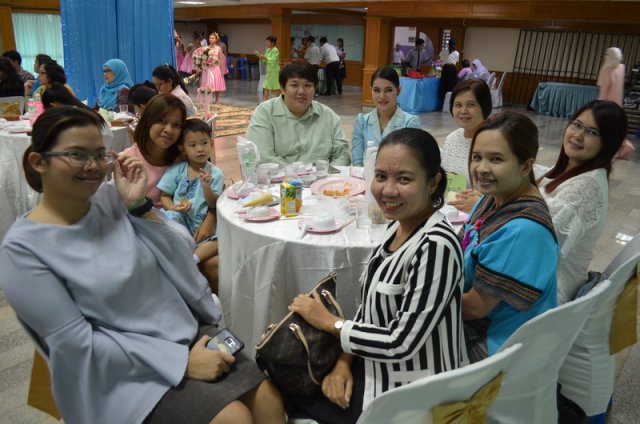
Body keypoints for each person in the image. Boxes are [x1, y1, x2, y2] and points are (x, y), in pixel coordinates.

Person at [0, 106, 285, 424]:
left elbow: (183, 256)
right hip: (123, 370)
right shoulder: (23, 251)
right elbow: (77, 345)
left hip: (182, 332)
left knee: (269, 402)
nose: (93, 167)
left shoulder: (112, 199)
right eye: (77, 155)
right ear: (39, 162)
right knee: (233, 418)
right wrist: (180, 363)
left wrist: (139, 206)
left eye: (99, 154)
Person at [287, 127, 465, 423]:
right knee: (285, 383)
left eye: (404, 179)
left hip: (411, 390)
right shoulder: (398, 227)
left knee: (286, 394)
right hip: (371, 365)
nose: (387, 189)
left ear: (433, 183)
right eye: (381, 176)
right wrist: (343, 362)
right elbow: (371, 310)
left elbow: (401, 343)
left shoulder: (436, 247)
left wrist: (330, 322)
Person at [461, 111, 558, 363]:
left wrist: (422, 294)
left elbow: (473, 308)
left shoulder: (523, 231)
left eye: (496, 159)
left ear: (525, 166)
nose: (481, 169)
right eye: (476, 157)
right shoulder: (492, 198)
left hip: (498, 347)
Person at [538, 100, 627, 303]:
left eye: (592, 132)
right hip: (536, 277)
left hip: (547, 292)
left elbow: (539, 241)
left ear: (608, 143)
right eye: (577, 124)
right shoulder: (572, 171)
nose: (578, 135)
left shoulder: (587, 186)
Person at [158, 118, 223, 292]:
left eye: (204, 143)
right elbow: (164, 196)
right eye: (192, 145)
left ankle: (190, 261)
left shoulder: (215, 173)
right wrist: (173, 208)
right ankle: (178, 257)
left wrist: (206, 186)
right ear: (183, 149)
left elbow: (213, 203)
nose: (200, 149)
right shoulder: (177, 170)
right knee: (169, 218)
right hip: (181, 221)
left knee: (220, 240)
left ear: (211, 143)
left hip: (203, 225)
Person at [245, 61, 350, 166]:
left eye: (308, 85)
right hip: (279, 180)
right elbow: (263, 156)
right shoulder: (265, 113)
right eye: (294, 85)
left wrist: (325, 177)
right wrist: (299, 175)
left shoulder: (329, 116)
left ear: (315, 88)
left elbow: (342, 155)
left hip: (322, 179)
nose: (301, 91)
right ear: (282, 88)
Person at [351, 66, 421, 166]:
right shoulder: (361, 122)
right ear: (371, 90)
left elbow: (412, 163)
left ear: (399, 90)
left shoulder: (410, 123)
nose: (382, 96)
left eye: (388, 90)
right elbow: (357, 163)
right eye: (377, 90)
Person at [442, 79, 492, 213]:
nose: (463, 111)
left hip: (485, 214)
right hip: (453, 212)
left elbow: (508, 190)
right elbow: (450, 182)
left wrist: (481, 204)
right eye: (458, 105)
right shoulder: (452, 139)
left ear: (484, 107)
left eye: (471, 105)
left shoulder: (495, 142)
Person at [597, 47, 635, 160]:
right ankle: (620, 149)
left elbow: (604, 90)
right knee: (614, 129)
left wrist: (599, 104)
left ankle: (608, 151)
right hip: (617, 105)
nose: (605, 56)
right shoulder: (621, 68)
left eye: (607, 54)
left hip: (607, 105)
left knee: (604, 129)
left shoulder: (607, 69)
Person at [194, 32, 227, 105]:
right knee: (208, 84)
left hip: (216, 68)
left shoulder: (218, 48)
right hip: (208, 68)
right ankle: (208, 99)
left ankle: (217, 99)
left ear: (216, 39)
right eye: (210, 38)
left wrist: (222, 70)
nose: (211, 39)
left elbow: (221, 60)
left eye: (212, 38)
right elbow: (203, 58)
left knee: (216, 83)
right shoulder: (206, 48)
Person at [255, 35, 281, 101]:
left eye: (268, 42)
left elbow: (272, 60)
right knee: (266, 86)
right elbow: (265, 61)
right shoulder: (268, 50)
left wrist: (263, 57)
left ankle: (280, 99)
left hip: (274, 71)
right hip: (269, 71)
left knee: (275, 88)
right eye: (266, 42)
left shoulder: (275, 50)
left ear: (273, 43)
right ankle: (265, 101)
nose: (266, 43)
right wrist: (260, 57)